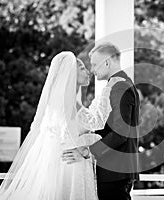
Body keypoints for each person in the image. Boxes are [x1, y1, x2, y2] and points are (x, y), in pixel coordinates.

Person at [0, 51, 123, 200]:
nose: (88, 71)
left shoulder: (60, 103)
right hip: (72, 167)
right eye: (81, 68)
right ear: (70, 75)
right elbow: (97, 121)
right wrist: (108, 90)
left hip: (62, 166)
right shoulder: (69, 104)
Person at [62, 42, 140, 200]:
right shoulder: (119, 84)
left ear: (107, 62)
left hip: (116, 169)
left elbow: (120, 133)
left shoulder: (119, 87)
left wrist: (88, 150)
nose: (92, 70)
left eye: (95, 64)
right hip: (114, 169)